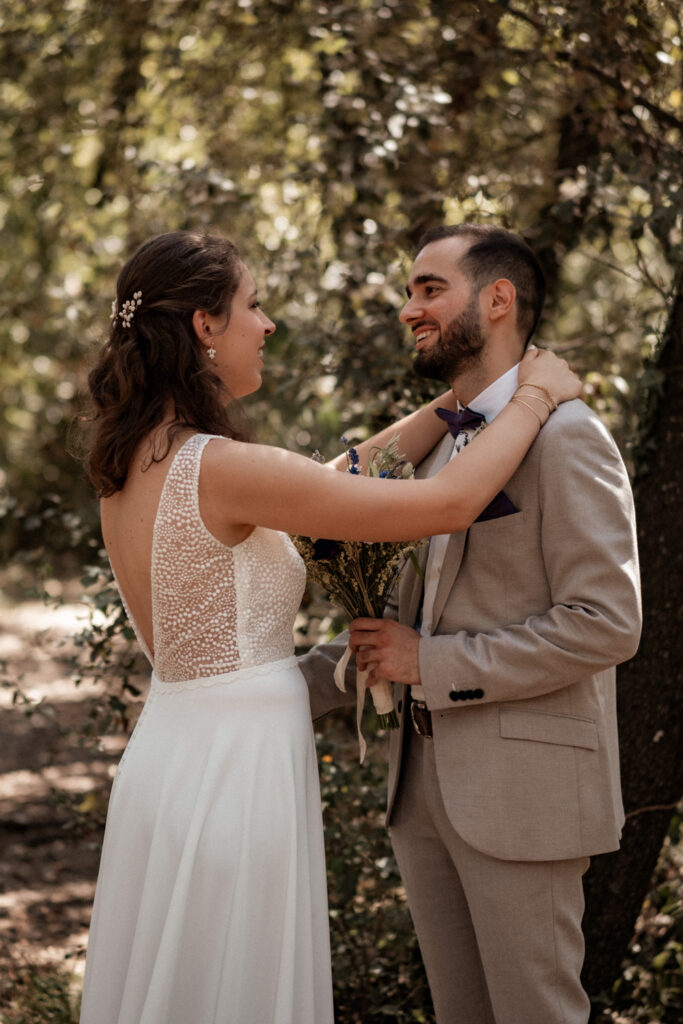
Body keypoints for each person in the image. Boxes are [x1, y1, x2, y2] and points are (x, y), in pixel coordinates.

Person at [78, 228, 581, 1024]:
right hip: (234, 771)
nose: (267, 324)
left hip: (176, 754)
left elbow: (334, 481)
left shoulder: (140, 461)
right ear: (205, 327)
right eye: (254, 304)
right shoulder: (224, 466)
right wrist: (532, 395)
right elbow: (443, 505)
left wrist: (459, 404)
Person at [302, 223, 642, 1024]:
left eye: (429, 289)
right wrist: (259, 688)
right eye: (409, 290)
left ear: (497, 300)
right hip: (421, 794)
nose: (407, 308)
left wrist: (434, 663)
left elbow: (606, 624)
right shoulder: (433, 446)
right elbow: (396, 620)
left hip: (524, 795)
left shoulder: (567, 439)